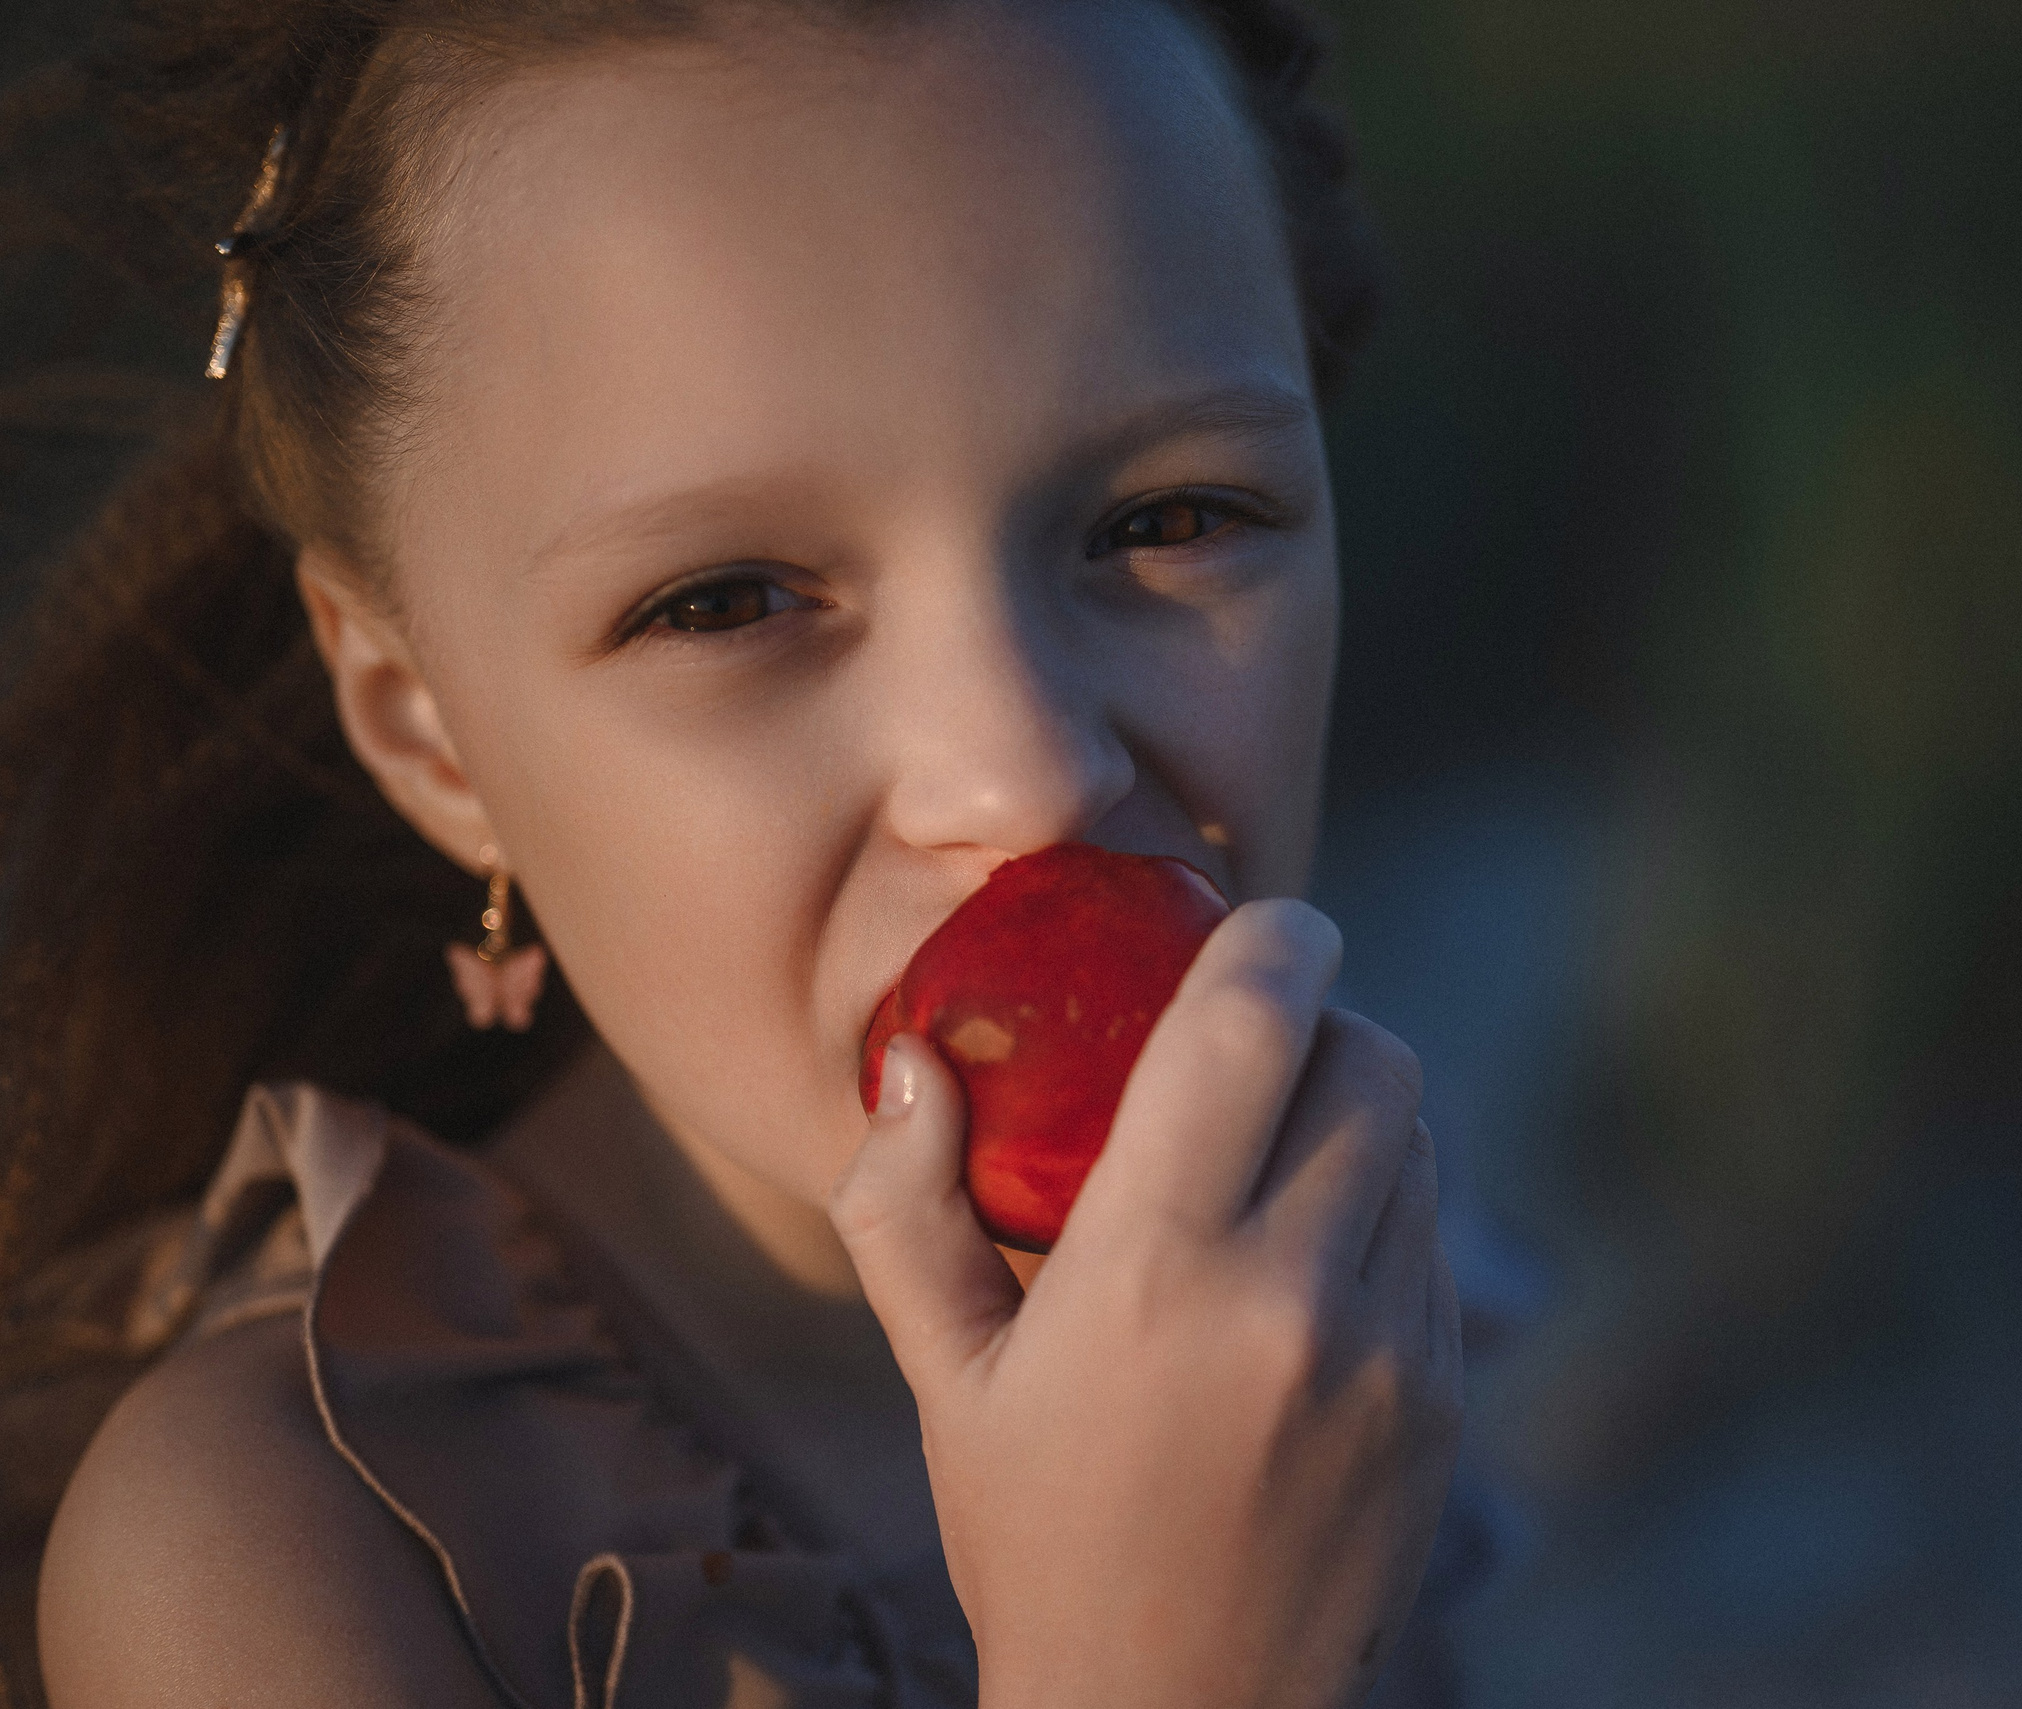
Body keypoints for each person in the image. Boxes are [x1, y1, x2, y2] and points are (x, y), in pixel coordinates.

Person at [0, 0, 1473, 1702]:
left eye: (1170, 519)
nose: (1025, 775)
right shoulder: (284, 1564)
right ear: (425, 729)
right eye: (725, 601)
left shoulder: (1360, 1309)